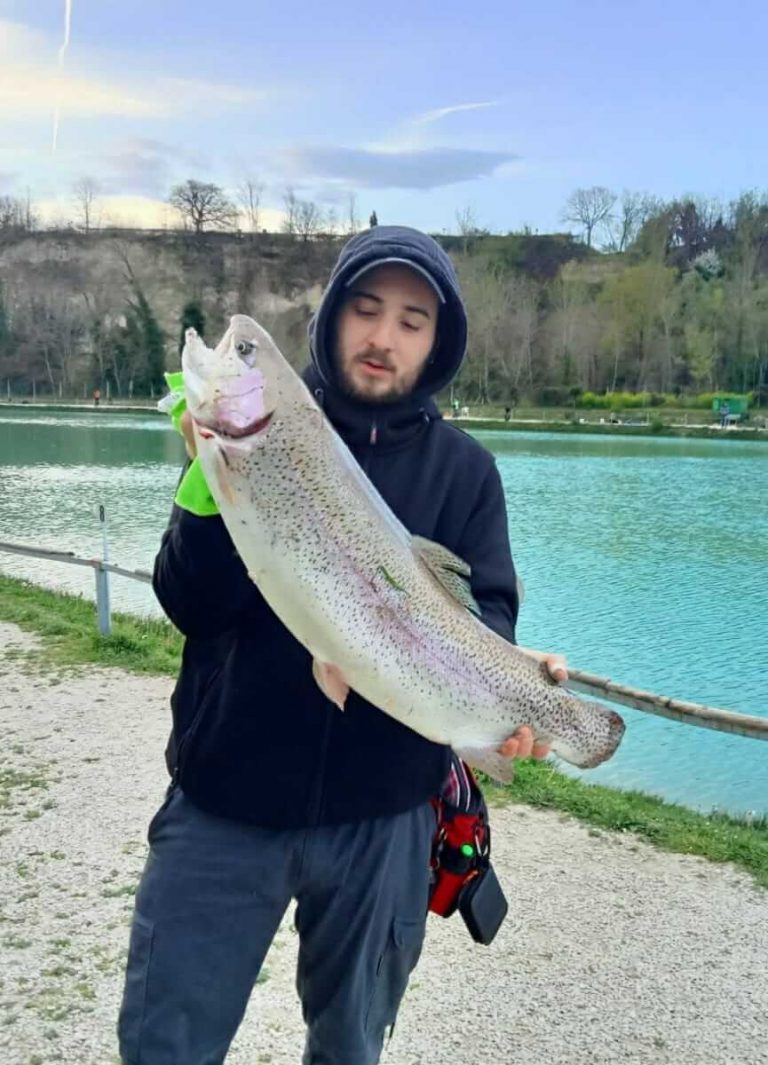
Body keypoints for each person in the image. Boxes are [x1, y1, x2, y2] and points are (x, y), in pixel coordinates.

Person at [118, 225, 567, 1065]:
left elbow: (490, 615)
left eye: (410, 319)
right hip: (225, 802)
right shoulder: (263, 434)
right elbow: (190, 602)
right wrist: (208, 478)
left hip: (387, 816)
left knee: (351, 1050)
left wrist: (514, 686)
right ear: (331, 317)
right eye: (366, 310)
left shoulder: (467, 473)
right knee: (163, 1045)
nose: (383, 335)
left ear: (438, 343)